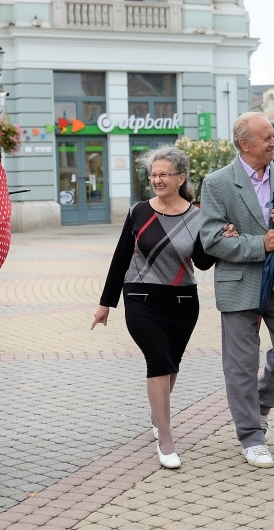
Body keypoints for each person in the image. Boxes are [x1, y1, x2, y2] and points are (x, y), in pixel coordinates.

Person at [91, 145, 237, 469]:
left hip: (183, 301)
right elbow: (119, 261)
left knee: (170, 365)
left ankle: (158, 413)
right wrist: (105, 304)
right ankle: (166, 437)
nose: (156, 180)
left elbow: (201, 261)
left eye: (163, 174)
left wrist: (222, 239)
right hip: (140, 298)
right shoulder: (138, 212)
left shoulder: (198, 217)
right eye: (152, 174)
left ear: (180, 177)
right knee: (157, 359)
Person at [199, 111, 274, 468]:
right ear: (245, 144)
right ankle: (250, 435)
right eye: (267, 138)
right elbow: (212, 239)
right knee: (241, 365)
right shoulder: (216, 182)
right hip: (238, 281)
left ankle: (259, 406)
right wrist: (258, 243)